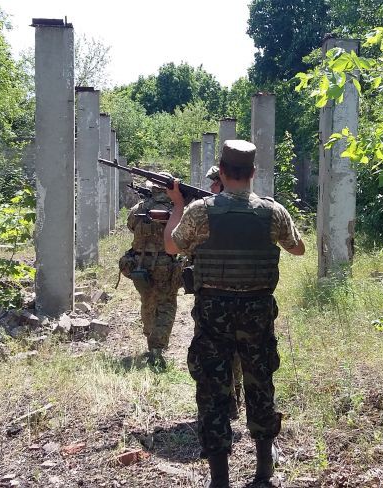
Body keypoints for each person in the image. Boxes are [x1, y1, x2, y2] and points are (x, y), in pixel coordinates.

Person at [164, 140, 305, 487]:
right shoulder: (273, 212)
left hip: (214, 312)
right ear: (253, 172)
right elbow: (298, 249)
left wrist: (177, 205)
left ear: (222, 172)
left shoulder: (200, 211)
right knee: (260, 383)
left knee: (213, 390)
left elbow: (170, 245)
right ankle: (263, 472)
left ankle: (220, 480)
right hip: (257, 311)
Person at [122, 179, 183, 370]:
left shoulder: (138, 208)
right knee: (166, 304)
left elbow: (131, 226)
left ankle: (151, 337)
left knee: (147, 301)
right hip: (166, 263)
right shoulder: (176, 209)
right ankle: (158, 347)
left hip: (140, 264)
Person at [206, 164, 244, 421]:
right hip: (246, 294)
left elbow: (177, 244)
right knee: (236, 352)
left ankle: (227, 401)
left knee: (220, 352)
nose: (211, 188)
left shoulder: (207, 212)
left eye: (214, 183)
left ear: (223, 182)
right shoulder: (256, 210)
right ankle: (233, 398)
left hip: (218, 294)